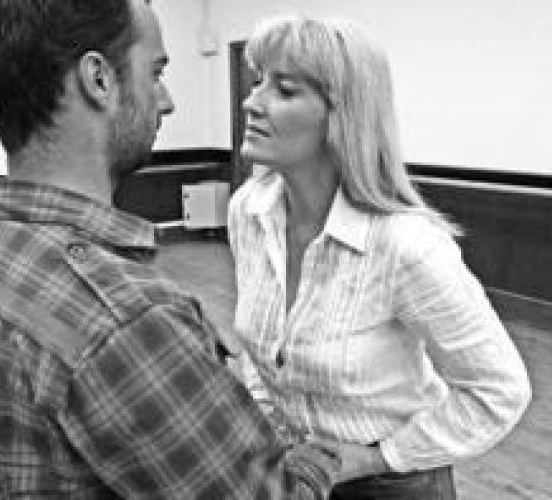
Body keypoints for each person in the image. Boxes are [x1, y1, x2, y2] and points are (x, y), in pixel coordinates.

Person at [0, 1, 340, 497]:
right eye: (156, 73)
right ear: (98, 79)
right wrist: (326, 457)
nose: (167, 101)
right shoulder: (127, 323)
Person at [228, 15, 532, 499]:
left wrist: (374, 458)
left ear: (342, 116)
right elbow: (258, 351)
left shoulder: (406, 244)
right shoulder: (249, 211)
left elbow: (501, 391)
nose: (252, 102)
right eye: (258, 81)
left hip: (393, 482)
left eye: (284, 90)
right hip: (298, 471)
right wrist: (274, 432)